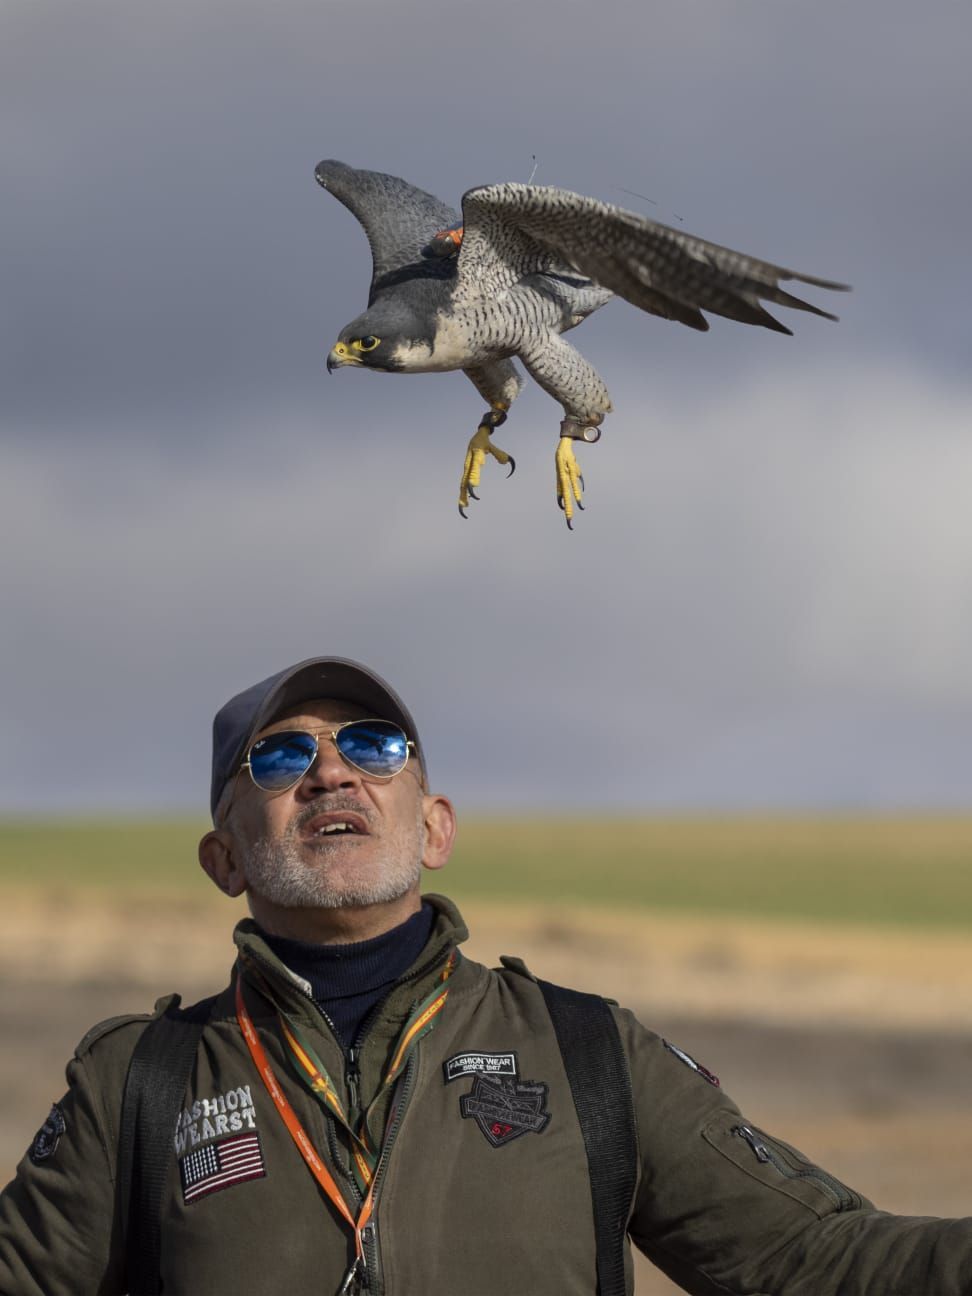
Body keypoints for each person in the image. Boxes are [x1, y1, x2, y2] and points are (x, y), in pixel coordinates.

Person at [1, 655, 971, 1296]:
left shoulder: (591, 1054)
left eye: (374, 747)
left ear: (435, 829)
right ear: (224, 860)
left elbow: (817, 1257)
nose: (332, 774)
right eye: (282, 756)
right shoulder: (138, 1083)